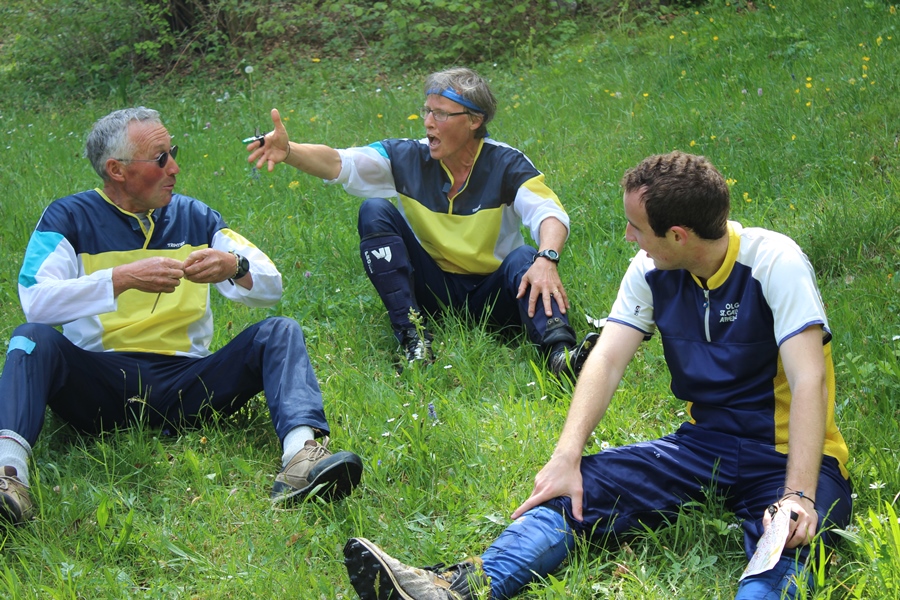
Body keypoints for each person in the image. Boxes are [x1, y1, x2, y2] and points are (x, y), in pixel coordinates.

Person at [341, 151, 853, 599]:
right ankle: (457, 589)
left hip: (789, 455)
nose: (629, 236)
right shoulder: (650, 270)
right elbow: (605, 361)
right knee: (575, 490)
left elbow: (808, 380)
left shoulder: (774, 261)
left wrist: (798, 494)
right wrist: (566, 457)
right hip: (703, 445)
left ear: (677, 235)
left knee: (788, 543)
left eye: (636, 227)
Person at [0, 107, 363, 526]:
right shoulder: (68, 217)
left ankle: (301, 458)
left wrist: (235, 266)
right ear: (116, 170)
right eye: (160, 159)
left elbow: (272, 287)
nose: (174, 167)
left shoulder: (196, 216)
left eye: (173, 152)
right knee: (30, 337)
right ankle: (9, 476)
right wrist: (121, 279)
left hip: (189, 384)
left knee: (279, 331)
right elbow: (36, 302)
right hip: (100, 385)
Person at [247, 67, 597, 376]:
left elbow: (549, 213)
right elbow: (340, 163)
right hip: (432, 290)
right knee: (374, 210)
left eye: (440, 114)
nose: (428, 122)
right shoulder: (406, 157)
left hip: (494, 295)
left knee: (526, 258)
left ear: (474, 120)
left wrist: (547, 258)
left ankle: (559, 354)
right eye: (427, 110)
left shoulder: (506, 162)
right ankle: (413, 339)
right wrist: (290, 151)